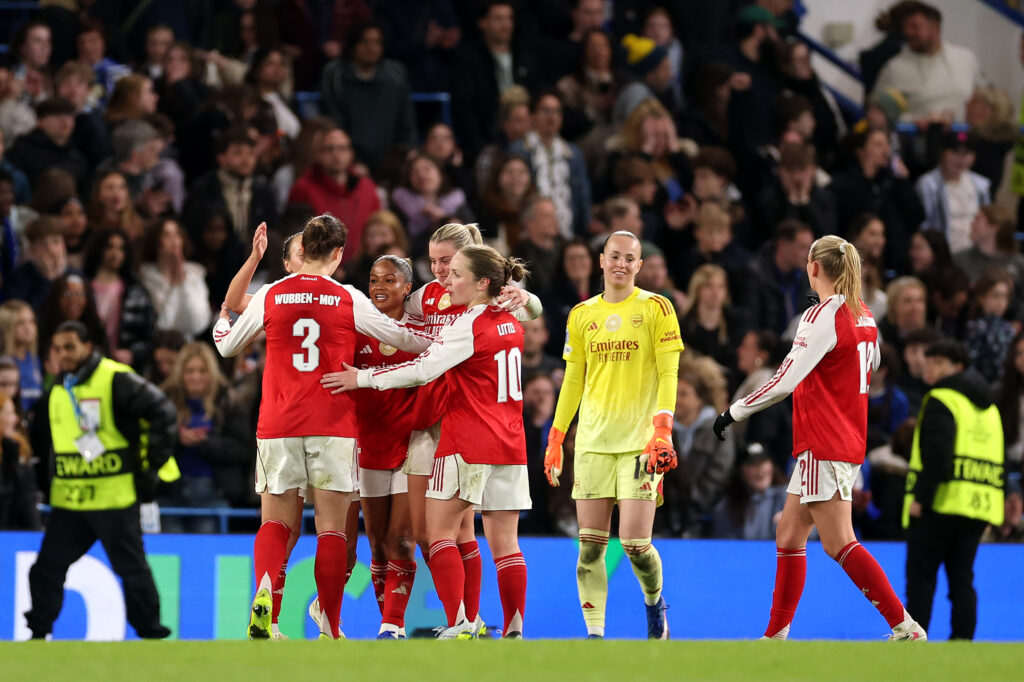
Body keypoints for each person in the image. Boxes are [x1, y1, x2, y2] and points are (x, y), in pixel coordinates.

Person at [211, 214, 432, 640]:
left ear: (302, 251)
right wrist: (441, 336)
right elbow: (405, 340)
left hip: (277, 425)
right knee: (331, 527)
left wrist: (222, 318)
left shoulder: (273, 294)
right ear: (337, 254)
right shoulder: (348, 298)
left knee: (275, 522)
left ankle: (266, 600)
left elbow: (227, 346)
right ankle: (331, 624)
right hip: (333, 425)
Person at [713, 235, 927, 641]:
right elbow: (872, 364)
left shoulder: (820, 315)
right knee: (790, 534)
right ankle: (775, 635)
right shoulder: (864, 315)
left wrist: (734, 411)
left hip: (822, 440)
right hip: (846, 439)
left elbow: (784, 381)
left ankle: (904, 625)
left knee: (839, 542)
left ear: (813, 267)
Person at [324, 245, 532, 640]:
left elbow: (422, 370)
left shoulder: (467, 325)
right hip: (511, 443)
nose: (447, 281)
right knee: (506, 544)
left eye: (456, 275)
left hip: (469, 440)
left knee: (437, 536)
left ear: (482, 282)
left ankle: (460, 624)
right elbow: (531, 308)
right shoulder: (511, 319)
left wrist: (363, 379)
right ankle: (514, 630)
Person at [395, 222, 542, 639]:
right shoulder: (427, 296)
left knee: (456, 529)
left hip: (468, 421)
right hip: (436, 420)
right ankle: (471, 621)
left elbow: (532, 308)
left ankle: (466, 620)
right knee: (430, 531)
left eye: (447, 262)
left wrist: (527, 296)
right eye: (434, 262)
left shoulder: (490, 296)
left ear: (466, 260)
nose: (439, 271)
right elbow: (401, 327)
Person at [543, 230, 683, 639]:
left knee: (637, 545)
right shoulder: (581, 314)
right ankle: (595, 636)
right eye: (614, 256)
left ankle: (655, 602)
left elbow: (668, 372)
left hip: (641, 442)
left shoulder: (657, 308)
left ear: (639, 266)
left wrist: (662, 429)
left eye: (629, 259)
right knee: (590, 547)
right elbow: (573, 379)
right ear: (601, 260)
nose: (621, 264)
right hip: (592, 444)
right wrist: (556, 436)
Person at [25, 320, 177, 640]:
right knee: (46, 568)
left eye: (70, 347)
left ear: (87, 347)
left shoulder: (114, 378)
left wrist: (149, 469)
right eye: (57, 348)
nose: (63, 354)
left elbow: (163, 411)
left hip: (113, 497)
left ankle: (152, 634)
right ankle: (38, 635)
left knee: (132, 570)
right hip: (72, 500)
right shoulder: (58, 385)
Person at [903, 339, 1004, 640]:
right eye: (928, 360)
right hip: (978, 505)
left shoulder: (942, 398)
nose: (928, 367)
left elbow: (938, 455)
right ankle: (963, 644)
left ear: (956, 368)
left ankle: (915, 641)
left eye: (937, 362)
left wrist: (921, 498)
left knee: (921, 580)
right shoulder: (990, 408)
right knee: (962, 579)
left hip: (940, 503)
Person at [159, 342, 250, 533]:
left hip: (212, 494)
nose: (195, 377)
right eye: (190, 371)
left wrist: (205, 443)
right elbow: (152, 443)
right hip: (169, 493)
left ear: (212, 373)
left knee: (206, 556)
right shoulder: (163, 400)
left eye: (202, 371)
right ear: (180, 373)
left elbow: (242, 448)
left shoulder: (228, 401)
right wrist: (177, 439)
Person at [871, 2, 981, 122]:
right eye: (905, 27)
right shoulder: (894, 69)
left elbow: (981, 99)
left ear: (935, 27)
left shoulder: (965, 59)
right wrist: (915, 120)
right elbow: (878, 114)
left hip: (965, 137)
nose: (908, 32)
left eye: (915, 26)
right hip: (916, 138)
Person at [916, 132, 991, 254]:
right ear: (943, 153)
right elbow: (923, 225)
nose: (960, 159)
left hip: (974, 254)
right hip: (942, 255)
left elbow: (987, 222)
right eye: (955, 152)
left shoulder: (981, 186)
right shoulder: (927, 185)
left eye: (966, 153)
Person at [137, 218, 211, 340]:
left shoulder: (195, 275)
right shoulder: (146, 277)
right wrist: (175, 286)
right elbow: (163, 325)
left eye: (177, 234)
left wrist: (184, 284)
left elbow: (198, 324)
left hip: (188, 346)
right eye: (166, 235)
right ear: (156, 242)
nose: (174, 240)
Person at [0, 390, 40, 529]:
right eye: (9, 413)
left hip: (12, 538)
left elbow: (26, 504)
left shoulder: (16, 450)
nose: (16, 419)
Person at [0, 300, 44, 414]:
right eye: (20, 323)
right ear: (6, 326)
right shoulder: (3, 363)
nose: (28, 327)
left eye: (31, 321)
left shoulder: (35, 361)